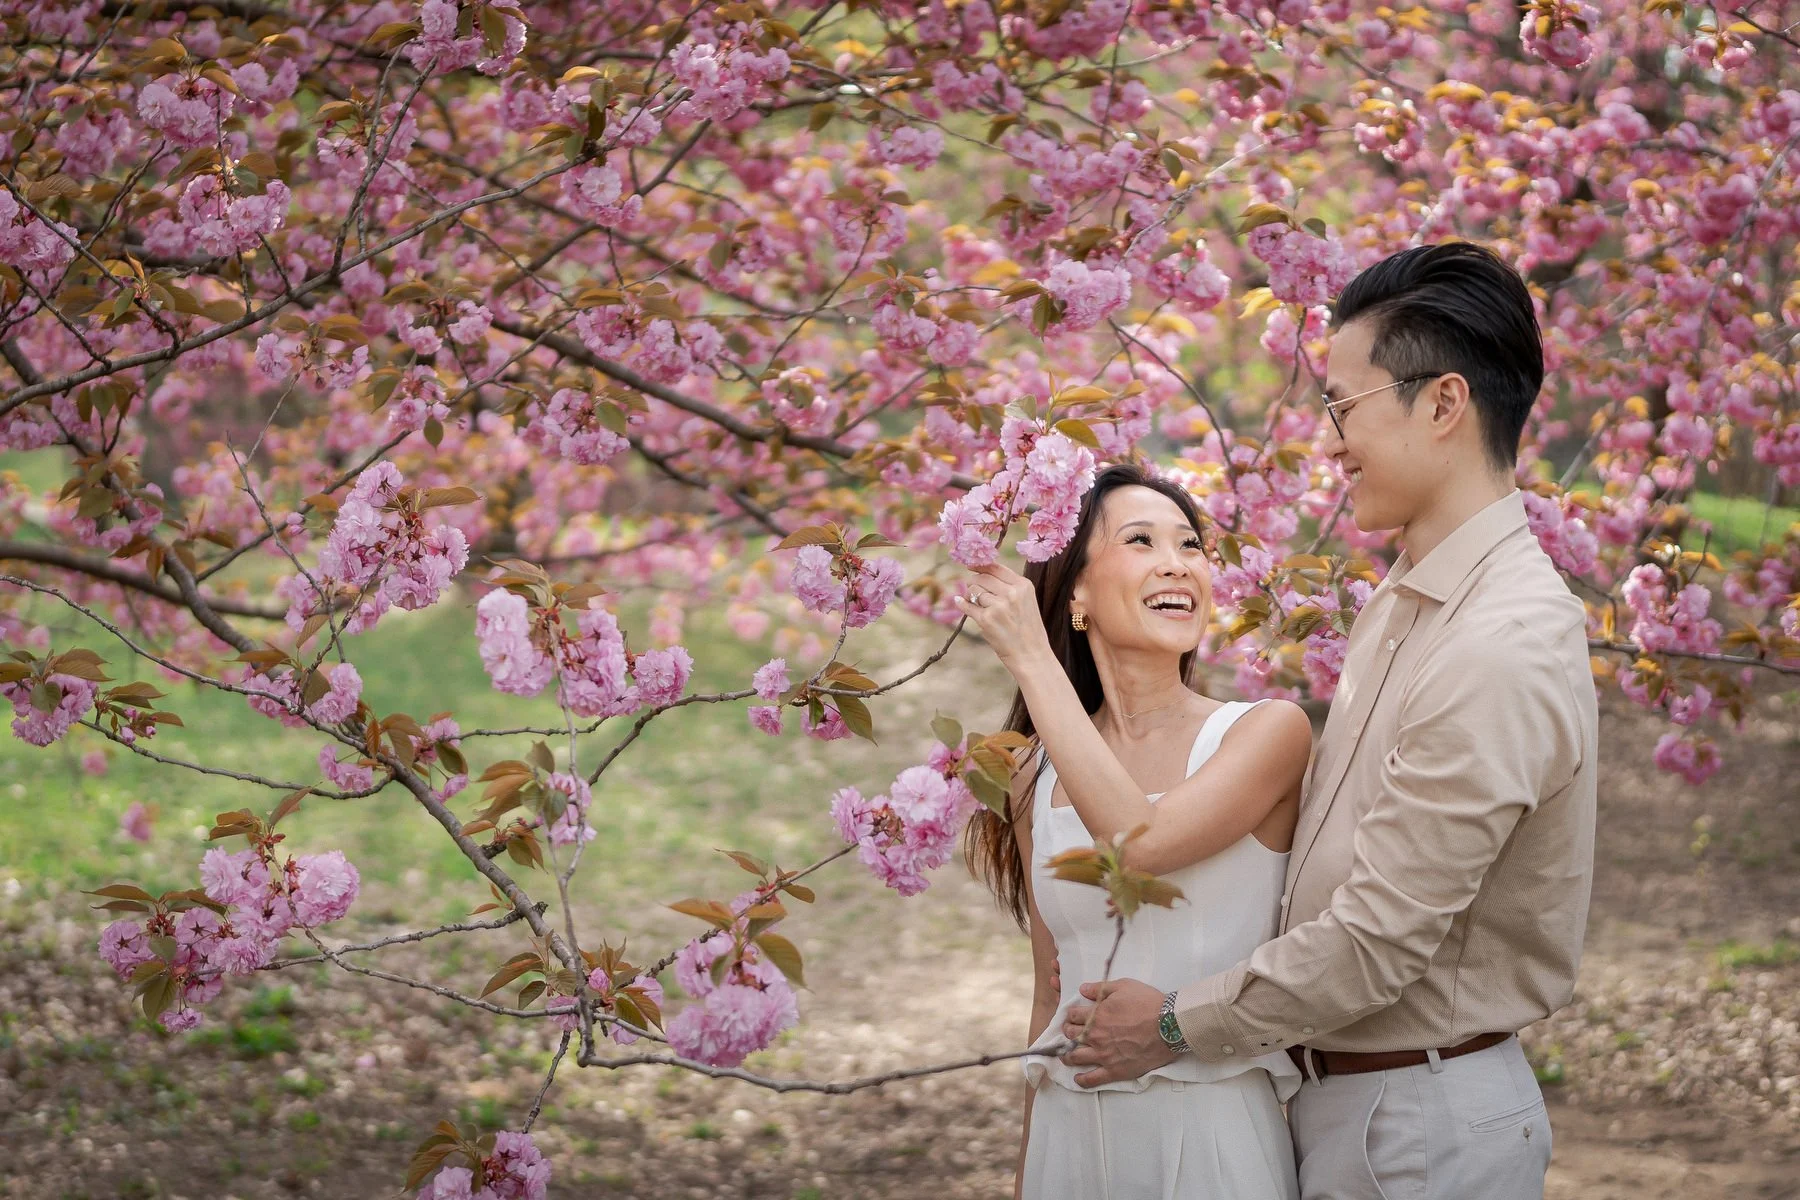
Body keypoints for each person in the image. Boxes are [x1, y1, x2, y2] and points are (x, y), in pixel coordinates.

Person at [1057, 241, 1599, 1200]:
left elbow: (1377, 942)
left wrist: (1173, 1022)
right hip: (1347, 1104)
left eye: (1343, 407)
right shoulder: (1410, 598)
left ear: (1441, 404)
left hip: (1420, 1124)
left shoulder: (1498, 644)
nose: (1330, 442)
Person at [957, 462, 1314, 1200]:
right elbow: (1046, 995)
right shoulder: (1034, 777)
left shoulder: (1264, 733)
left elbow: (1138, 840)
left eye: (1190, 546)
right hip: (1070, 1131)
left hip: (1209, 1129)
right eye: (1143, 541)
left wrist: (1031, 659)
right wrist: (1028, 1171)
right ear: (1076, 591)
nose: (1177, 563)